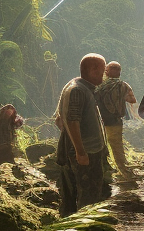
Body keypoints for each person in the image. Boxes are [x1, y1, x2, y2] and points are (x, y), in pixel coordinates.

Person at [56, 53, 109, 216]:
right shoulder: (78, 90)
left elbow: (59, 120)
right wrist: (80, 151)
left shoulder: (77, 87)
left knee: (76, 194)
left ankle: (72, 227)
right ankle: (84, 229)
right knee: (88, 196)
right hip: (86, 153)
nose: (104, 74)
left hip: (83, 151)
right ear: (93, 69)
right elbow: (71, 121)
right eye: (102, 70)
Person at [94, 61, 138, 183]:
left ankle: (104, 171)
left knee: (100, 146)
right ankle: (124, 172)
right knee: (117, 147)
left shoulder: (99, 85)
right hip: (115, 121)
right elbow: (132, 100)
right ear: (119, 73)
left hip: (99, 121)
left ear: (106, 72)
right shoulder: (123, 85)